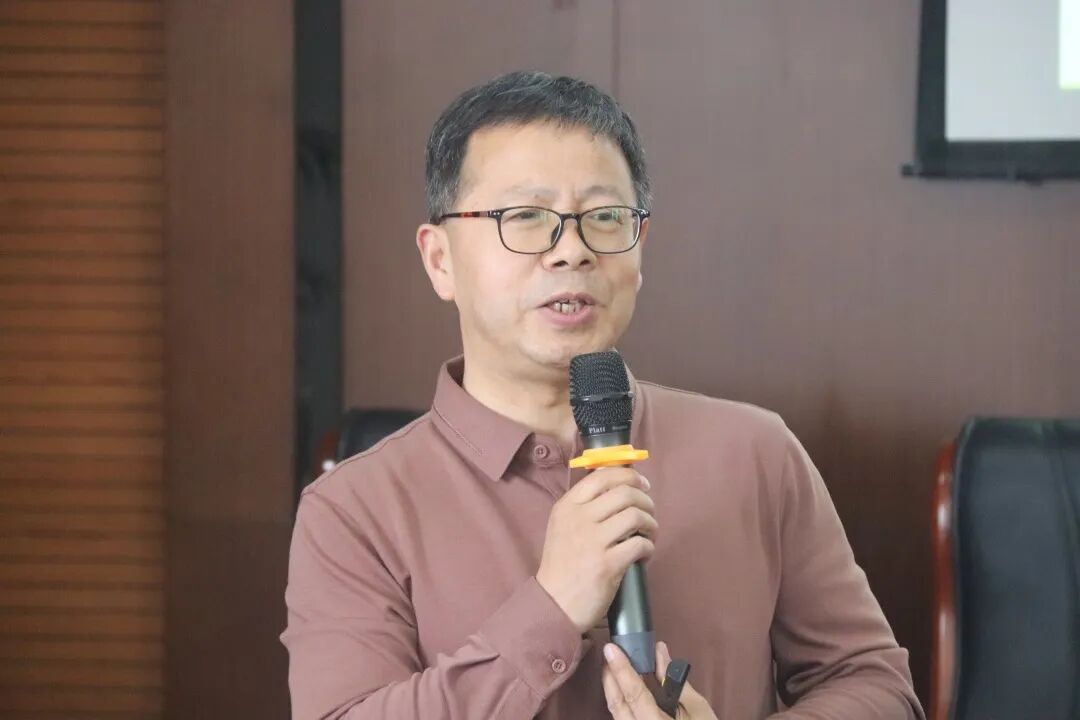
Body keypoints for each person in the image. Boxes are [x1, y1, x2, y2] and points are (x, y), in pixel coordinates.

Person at [281, 71, 925, 720]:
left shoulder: (756, 452)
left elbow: (877, 687)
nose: (572, 251)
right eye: (525, 217)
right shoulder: (354, 511)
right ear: (440, 260)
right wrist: (552, 606)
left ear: (639, 250)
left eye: (605, 218)